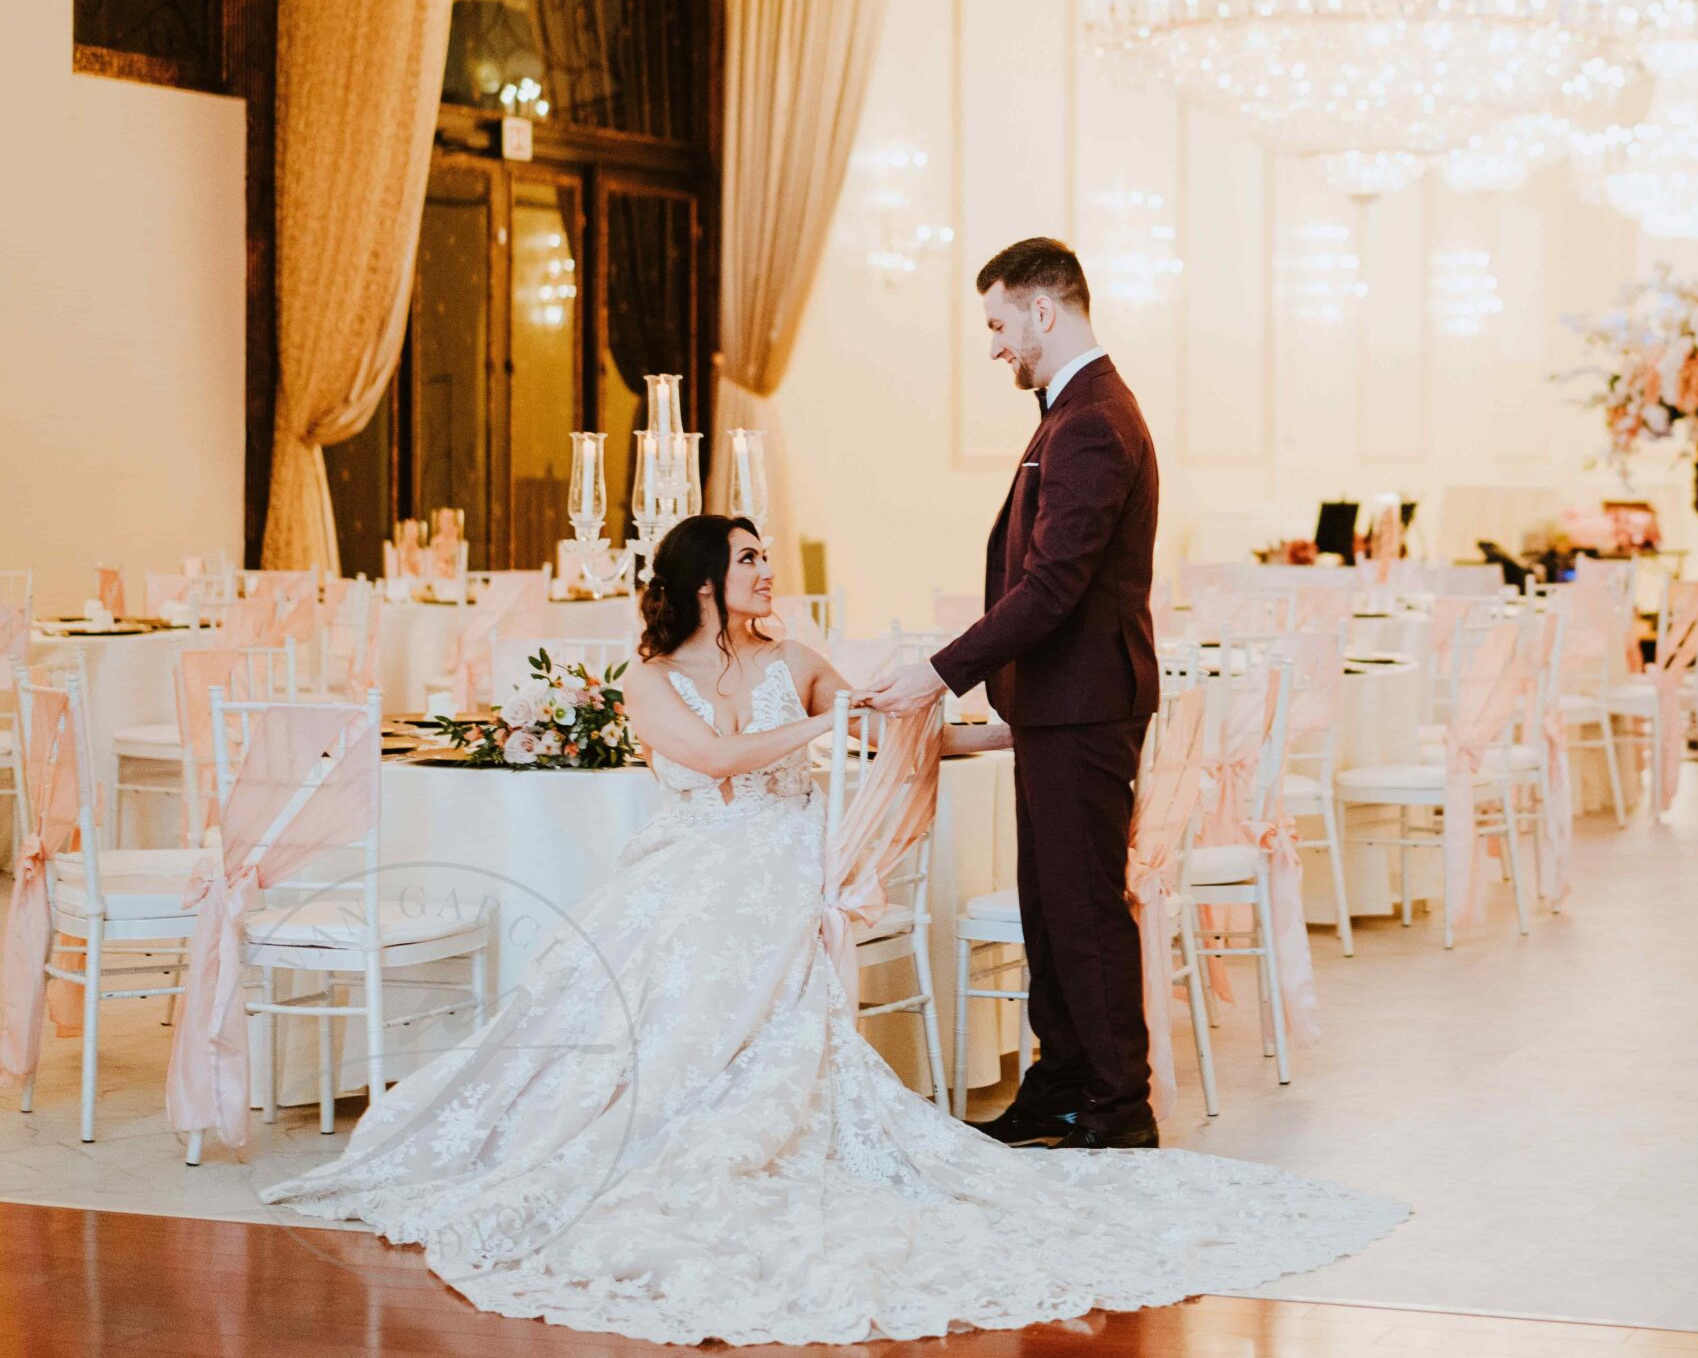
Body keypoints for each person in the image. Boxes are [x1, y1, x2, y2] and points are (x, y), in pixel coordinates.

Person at [262, 515, 1400, 1345]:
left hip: (789, 852)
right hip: (700, 850)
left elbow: (890, 741)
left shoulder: (798, 661)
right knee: (679, 942)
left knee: (765, 917)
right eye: (750, 557)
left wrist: (1013, 742)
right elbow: (706, 762)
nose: (767, 570)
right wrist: (818, 739)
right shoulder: (648, 672)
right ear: (706, 579)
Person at [858, 238, 1164, 1149]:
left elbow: (1051, 586)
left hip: (1086, 703)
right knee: (1051, 906)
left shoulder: (1094, 421)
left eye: (998, 323)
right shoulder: (1068, 413)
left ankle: (1116, 1111)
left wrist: (937, 674)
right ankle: (1062, 1085)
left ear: (1045, 310)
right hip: (1059, 705)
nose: (995, 346)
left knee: (1083, 911)